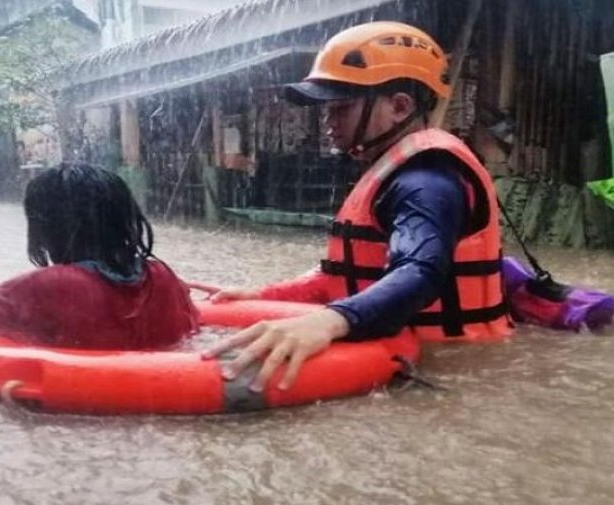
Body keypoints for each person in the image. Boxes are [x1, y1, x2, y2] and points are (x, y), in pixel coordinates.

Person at [201, 21, 511, 392]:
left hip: (451, 370)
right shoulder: (393, 169)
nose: (328, 123)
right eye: (327, 110)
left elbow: (420, 271)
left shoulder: (426, 181)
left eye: (342, 109)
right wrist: (263, 296)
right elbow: (345, 276)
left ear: (400, 107)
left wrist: (329, 321)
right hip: (413, 356)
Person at [0, 164, 199, 350]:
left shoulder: (48, 285)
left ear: (44, 227)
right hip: (162, 392)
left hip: (78, 407)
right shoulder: (162, 276)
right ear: (126, 218)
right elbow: (191, 331)